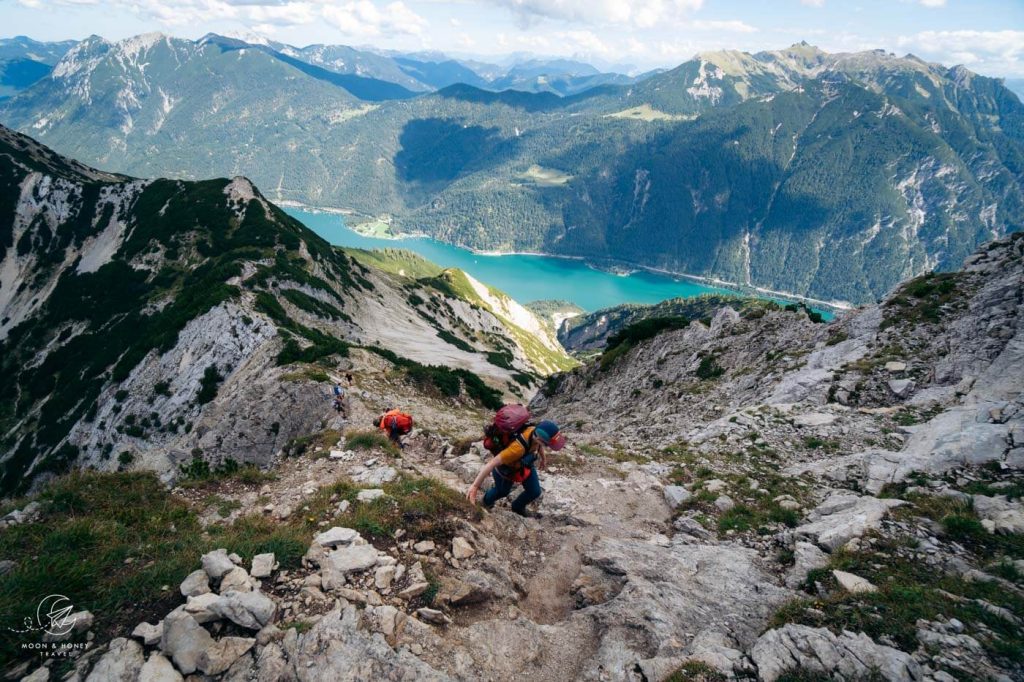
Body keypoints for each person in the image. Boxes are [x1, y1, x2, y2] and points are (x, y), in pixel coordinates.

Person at [466, 419, 565, 518]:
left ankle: (517, 507)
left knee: (534, 491)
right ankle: (485, 502)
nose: (548, 446)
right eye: (547, 444)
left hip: (525, 464)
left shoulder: (534, 431)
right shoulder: (517, 449)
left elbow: (538, 445)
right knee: (502, 491)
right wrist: (475, 486)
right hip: (506, 470)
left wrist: (543, 458)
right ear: (540, 439)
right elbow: (492, 463)